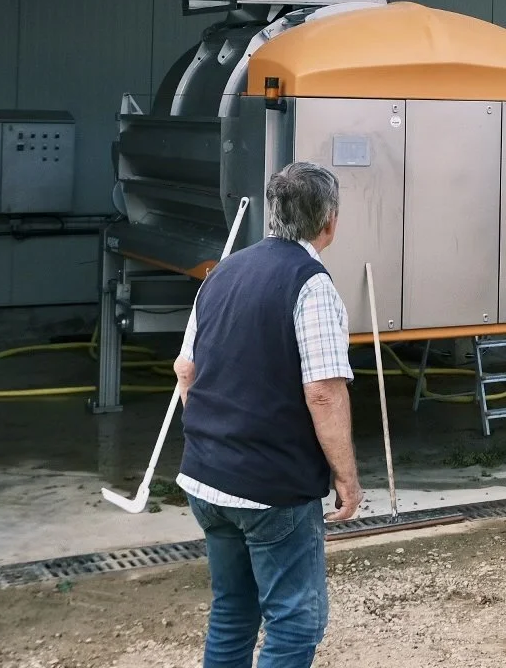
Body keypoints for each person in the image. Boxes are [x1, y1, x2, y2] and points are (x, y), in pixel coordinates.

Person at [174, 162, 362, 668]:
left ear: (273, 214)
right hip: (271, 487)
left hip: (206, 479)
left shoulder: (222, 272)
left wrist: (218, 440)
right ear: (330, 221)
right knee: (295, 620)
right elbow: (323, 393)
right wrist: (347, 478)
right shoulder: (311, 283)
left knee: (233, 611)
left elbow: (185, 370)